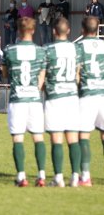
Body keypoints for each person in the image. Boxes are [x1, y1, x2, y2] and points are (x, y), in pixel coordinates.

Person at [1, 17, 47, 187]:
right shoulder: (41, 51)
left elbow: (5, 74)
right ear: (33, 31)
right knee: (38, 137)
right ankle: (41, 175)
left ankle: (21, 176)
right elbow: (42, 78)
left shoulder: (10, 51)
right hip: (34, 100)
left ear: (18, 31)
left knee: (18, 139)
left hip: (17, 99)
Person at [43, 17, 81, 187]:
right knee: (73, 138)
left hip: (55, 98)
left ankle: (58, 177)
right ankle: (74, 177)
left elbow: (42, 78)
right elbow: (78, 76)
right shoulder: (76, 49)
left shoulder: (48, 50)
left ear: (53, 31)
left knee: (56, 138)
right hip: (72, 97)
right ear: (69, 31)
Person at [77, 16, 104, 187]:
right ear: (98, 29)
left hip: (87, 95)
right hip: (102, 95)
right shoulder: (103, 45)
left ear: (83, 30)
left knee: (83, 135)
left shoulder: (78, 47)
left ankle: (85, 176)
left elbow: (76, 73)